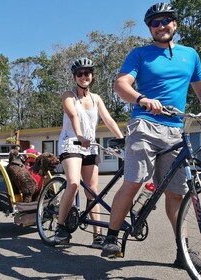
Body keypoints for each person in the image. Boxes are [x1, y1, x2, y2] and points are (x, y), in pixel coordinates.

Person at [101, 2, 201, 274]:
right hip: (145, 124)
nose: (161, 26)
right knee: (135, 180)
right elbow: (121, 84)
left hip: (174, 129)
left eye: (165, 21)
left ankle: (182, 251)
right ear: (150, 28)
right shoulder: (140, 54)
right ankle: (111, 237)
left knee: (177, 194)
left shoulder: (190, 55)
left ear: (175, 24)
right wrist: (142, 99)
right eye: (155, 23)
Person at [55, 57, 124, 248]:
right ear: (75, 77)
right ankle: (60, 227)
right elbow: (73, 115)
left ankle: (98, 235)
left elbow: (108, 119)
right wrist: (79, 135)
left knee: (92, 191)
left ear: (92, 76)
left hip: (90, 145)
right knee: (74, 183)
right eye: (80, 74)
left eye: (87, 73)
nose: (83, 76)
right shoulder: (69, 95)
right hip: (72, 143)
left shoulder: (97, 98)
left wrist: (121, 138)